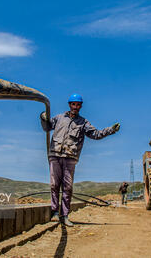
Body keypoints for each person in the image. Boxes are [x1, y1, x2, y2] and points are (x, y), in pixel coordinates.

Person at [40, 93, 120, 227]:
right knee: (54, 185)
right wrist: (43, 118)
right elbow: (47, 127)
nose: (75, 107)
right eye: (73, 104)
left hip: (70, 158)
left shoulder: (83, 123)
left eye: (78, 105)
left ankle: (64, 215)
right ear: (69, 105)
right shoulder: (59, 118)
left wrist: (110, 130)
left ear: (80, 106)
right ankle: (54, 213)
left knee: (68, 187)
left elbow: (96, 134)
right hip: (55, 155)